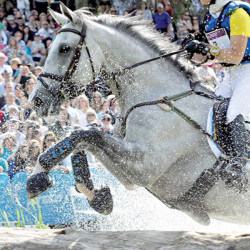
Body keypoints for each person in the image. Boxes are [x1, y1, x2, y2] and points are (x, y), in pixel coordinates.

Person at [184, 0, 250, 192]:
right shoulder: (212, 16)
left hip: (247, 70)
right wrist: (194, 50)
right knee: (210, 111)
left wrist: (208, 50)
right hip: (230, 74)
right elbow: (213, 56)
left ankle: (238, 168)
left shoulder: (237, 14)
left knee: (234, 113)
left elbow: (236, 55)